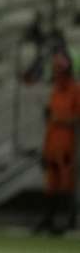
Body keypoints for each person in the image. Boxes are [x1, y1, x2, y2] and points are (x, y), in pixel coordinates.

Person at [35, 51, 79, 234]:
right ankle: (49, 219)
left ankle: (68, 221)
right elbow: (51, 121)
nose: (56, 73)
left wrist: (56, 117)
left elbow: (76, 119)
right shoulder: (55, 91)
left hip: (68, 146)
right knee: (51, 185)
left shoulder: (76, 90)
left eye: (59, 69)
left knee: (66, 184)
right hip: (52, 145)